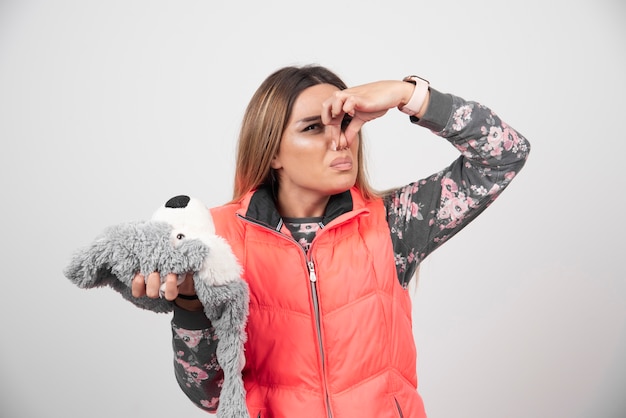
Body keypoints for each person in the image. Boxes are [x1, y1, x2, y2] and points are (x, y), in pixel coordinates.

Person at [132, 64, 530, 417]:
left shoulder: (394, 222)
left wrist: (409, 94)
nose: (340, 140)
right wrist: (188, 306)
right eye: (312, 127)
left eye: (343, 124)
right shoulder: (218, 238)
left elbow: (505, 154)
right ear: (272, 152)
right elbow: (210, 395)